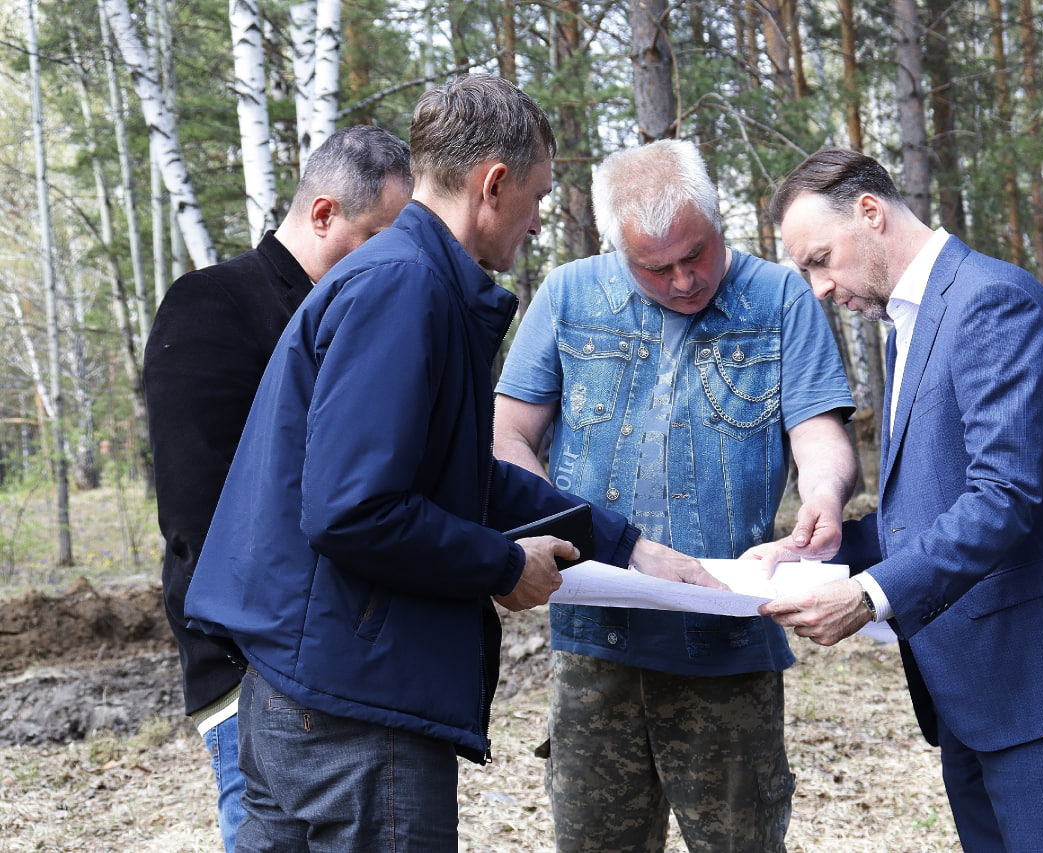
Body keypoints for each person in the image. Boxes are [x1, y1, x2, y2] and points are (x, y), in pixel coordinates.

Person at [182, 74, 717, 851]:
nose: (538, 223)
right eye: (536, 198)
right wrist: (501, 564)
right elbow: (352, 508)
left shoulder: (412, 279)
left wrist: (625, 544)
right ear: (492, 184)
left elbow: (459, 478)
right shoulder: (406, 288)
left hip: (315, 687)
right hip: (354, 713)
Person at [758, 148, 1043, 851]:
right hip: (971, 692)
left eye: (820, 259)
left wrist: (868, 594)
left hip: (1041, 686)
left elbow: (1003, 497)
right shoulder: (907, 323)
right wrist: (834, 546)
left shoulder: (991, 300)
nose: (819, 288)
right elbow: (932, 501)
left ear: (870, 212)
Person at [493, 138, 859, 852]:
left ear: (720, 221)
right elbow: (506, 437)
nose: (685, 280)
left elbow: (819, 432)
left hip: (729, 653)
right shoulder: (568, 295)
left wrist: (825, 489)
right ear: (615, 248)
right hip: (595, 647)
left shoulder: (780, 297)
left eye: (697, 253)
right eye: (655, 267)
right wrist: (563, 531)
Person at [144, 124, 413, 852]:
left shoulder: (356, 317)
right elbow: (199, 518)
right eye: (375, 238)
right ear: (322, 213)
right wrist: (257, 678)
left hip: (341, 677)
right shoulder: (211, 309)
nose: (390, 264)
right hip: (255, 679)